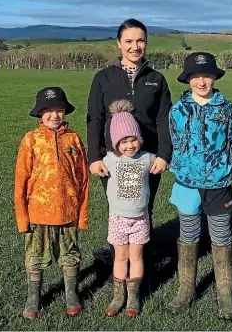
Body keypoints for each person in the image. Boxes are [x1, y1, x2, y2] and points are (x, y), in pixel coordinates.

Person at [86, 18, 172, 280]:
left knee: (145, 208)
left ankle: (140, 266)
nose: (136, 46)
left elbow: (163, 118)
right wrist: (94, 156)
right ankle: (118, 265)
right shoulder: (103, 78)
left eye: (141, 40)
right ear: (119, 44)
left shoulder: (156, 79)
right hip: (113, 160)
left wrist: (164, 155)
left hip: (148, 159)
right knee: (118, 209)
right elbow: (95, 118)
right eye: (129, 41)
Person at [167, 52, 232, 320]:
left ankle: (226, 295)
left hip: (219, 183)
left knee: (221, 236)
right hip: (187, 183)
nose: (201, 81)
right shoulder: (177, 110)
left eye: (206, 75)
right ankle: (186, 290)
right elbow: (175, 141)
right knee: (188, 235)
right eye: (196, 76)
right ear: (187, 79)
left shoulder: (228, 109)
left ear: (214, 77)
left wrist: (220, 167)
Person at [14, 87, 89, 320]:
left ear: (65, 111)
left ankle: (71, 295)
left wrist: (82, 214)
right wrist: (22, 217)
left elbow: (83, 178)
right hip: (38, 212)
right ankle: (33, 298)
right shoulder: (31, 140)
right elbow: (20, 181)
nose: (55, 115)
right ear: (40, 113)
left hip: (68, 211)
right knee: (35, 257)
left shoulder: (73, 138)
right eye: (48, 111)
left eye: (59, 110)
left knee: (70, 255)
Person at [102, 100, 156, 317]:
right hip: (118, 219)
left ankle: (134, 297)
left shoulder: (147, 158)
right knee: (120, 257)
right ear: (115, 144)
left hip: (140, 219)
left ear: (139, 140)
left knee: (137, 257)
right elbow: (94, 163)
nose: (129, 145)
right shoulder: (111, 160)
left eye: (133, 139)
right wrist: (94, 165)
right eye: (123, 141)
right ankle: (118, 296)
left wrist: (164, 160)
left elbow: (163, 161)